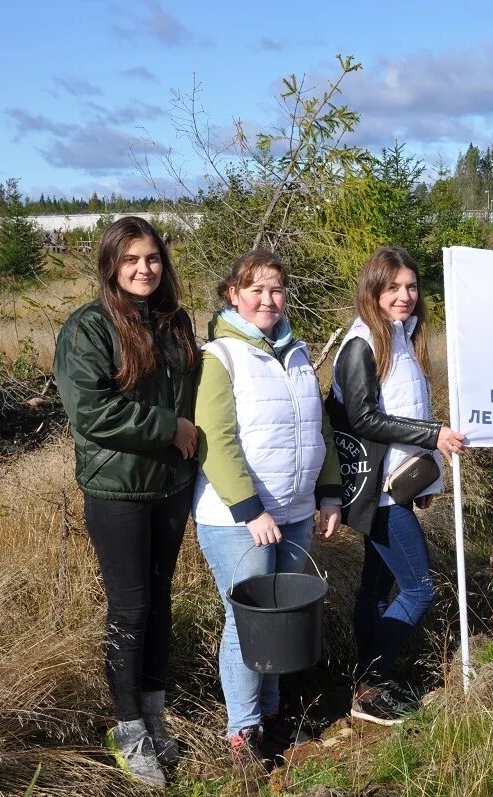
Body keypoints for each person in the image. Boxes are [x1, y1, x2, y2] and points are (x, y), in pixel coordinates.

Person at [53, 216, 199, 787]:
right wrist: (170, 428)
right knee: (130, 607)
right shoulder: (88, 328)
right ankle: (128, 727)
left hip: (171, 486)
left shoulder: (174, 322)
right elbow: (91, 412)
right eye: (132, 259)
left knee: (160, 601)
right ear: (112, 264)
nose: (144, 269)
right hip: (118, 490)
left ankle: (156, 713)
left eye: (153, 259)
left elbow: (196, 389)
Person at [192, 249, 343, 762]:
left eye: (275, 289)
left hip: (296, 511)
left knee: (280, 619)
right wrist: (248, 509)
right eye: (255, 290)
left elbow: (317, 430)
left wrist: (327, 494)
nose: (267, 299)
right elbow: (216, 436)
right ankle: (243, 730)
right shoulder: (222, 356)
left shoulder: (297, 353)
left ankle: (274, 715)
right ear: (233, 295)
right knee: (248, 622)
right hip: (239, 519)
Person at [327, 246, 466, 726]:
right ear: (373, 290)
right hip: (376, 492)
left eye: (410, 287)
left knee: (374, 587)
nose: (404, 296)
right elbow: (365, 418)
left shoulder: (401, 337)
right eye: (393, 288)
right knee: (419, 589)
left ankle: (368, 680)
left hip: (395, 485)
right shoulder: (361, 343)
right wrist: (434, 438)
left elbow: (410, 410)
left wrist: (427, 472)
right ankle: (370, 682)